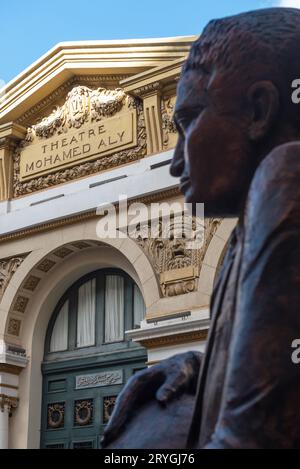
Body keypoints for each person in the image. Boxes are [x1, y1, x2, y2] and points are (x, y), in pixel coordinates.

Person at [102, 8, 300, 449]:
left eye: (188, 121)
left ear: (259, 109)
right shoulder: (248, 223)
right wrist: (200, 364)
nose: (175, 163)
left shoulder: (286, 176)